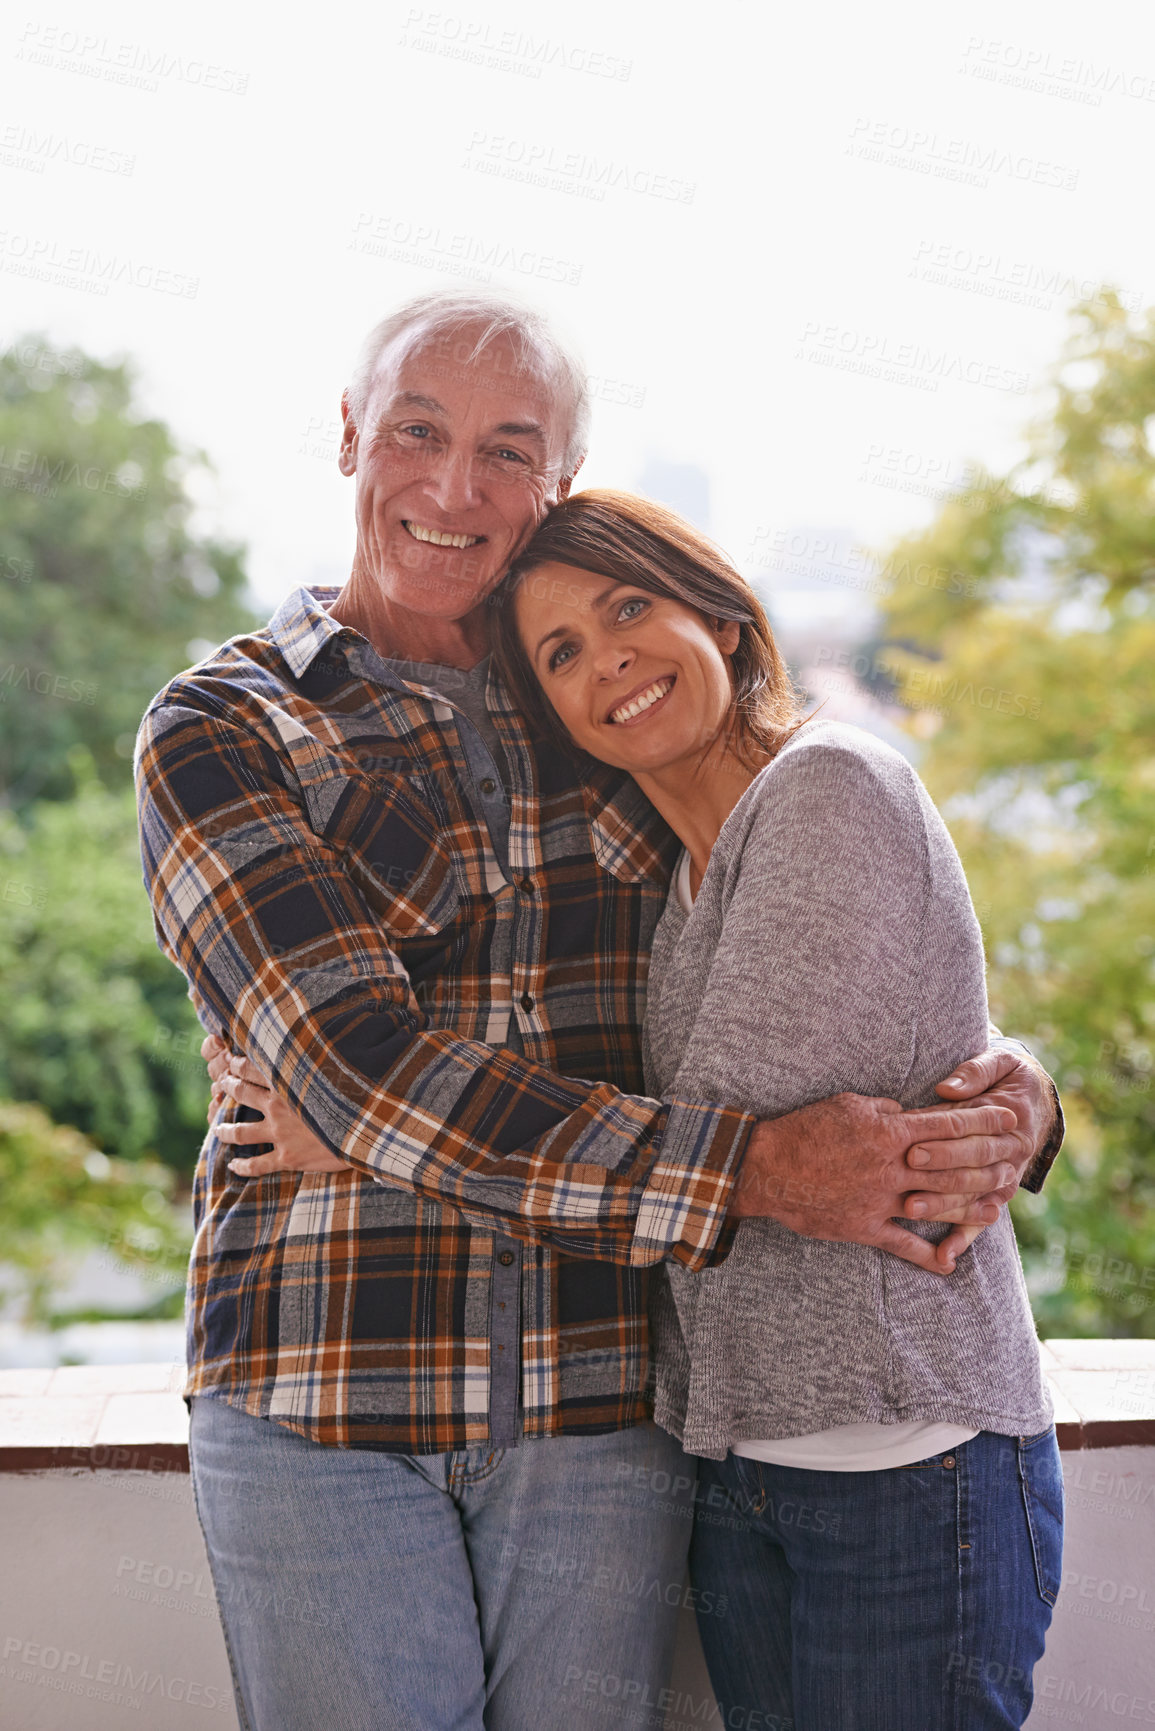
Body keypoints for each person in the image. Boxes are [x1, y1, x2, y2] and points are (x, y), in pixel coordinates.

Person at [136, 291, 1062, 1731]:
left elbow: (808, 932)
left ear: (558, 481)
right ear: (346, 438)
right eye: (417, 434)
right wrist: (742, 1166)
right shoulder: (222, 726)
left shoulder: (599, 709)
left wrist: (1006, 1081)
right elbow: (355, 1068)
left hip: (599, 1397)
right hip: (322, 1380)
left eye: (508, 450)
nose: (454, 488)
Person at [493, 488, 1064, 1730]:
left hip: (912, 1468)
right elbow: (705, 1157)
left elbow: (724, 1138)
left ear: (717, 613)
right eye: (563, 654)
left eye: (630, 606)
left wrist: (405, 1129)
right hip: (746, 1477)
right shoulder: (674, 886)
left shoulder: (827, 789)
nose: (613, 660)